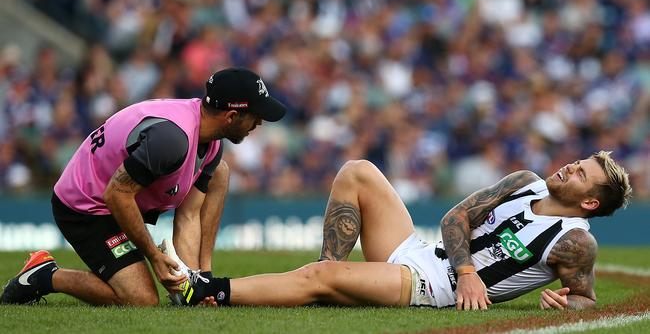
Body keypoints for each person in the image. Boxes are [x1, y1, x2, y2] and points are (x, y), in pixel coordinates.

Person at [178, 151, 631, 310]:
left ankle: (204, 291)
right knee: (358, 172)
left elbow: (585, 299)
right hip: (423, 254)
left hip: (433, 288)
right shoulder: (524, 181)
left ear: (589, 203)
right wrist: (470, 268)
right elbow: (455, 217)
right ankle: (332, 273)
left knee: (318, 282)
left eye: (582, 174)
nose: (572, 166)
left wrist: (565, 303)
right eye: (580, 162)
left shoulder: (575, 241)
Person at [0, 68, 287, 306]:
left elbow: (188, 217)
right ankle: (44, 275)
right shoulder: (173, 139)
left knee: (219, 173)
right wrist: (154, 256)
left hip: (121, 198)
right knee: (142, 299)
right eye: (255, 115)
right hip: (86, 207)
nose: (259, 122)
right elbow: (116, 194)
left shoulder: (210, 142)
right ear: (231, 116)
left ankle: (203, 279)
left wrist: (196, 284)